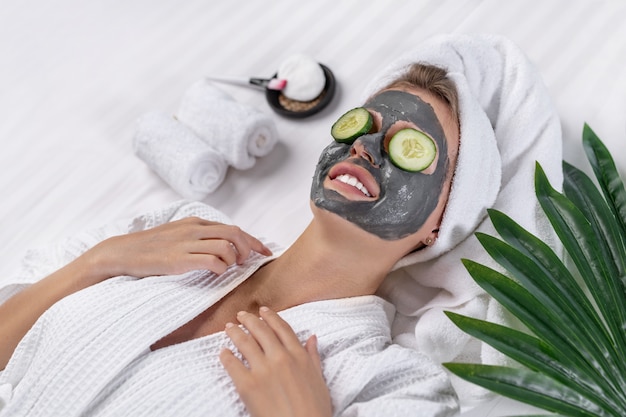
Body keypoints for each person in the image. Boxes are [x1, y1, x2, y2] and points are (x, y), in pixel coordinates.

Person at [0, 62, 462, 417]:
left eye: (411, 148)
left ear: (438, 225)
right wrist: (99, 261)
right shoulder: (180, 228)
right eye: (365, 124)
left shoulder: (395, 385)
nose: (366, 146)